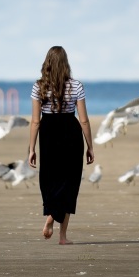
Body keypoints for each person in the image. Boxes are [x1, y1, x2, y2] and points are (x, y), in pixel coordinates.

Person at [27, 46, 94, 245]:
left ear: (46, 63)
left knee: (50, 179)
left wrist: (31, 149)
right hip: (71, 132)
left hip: (48, 133)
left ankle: (51, 214)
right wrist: (90, 146)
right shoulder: (76, 86)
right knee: (70, 183)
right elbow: (83, 120)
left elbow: (35, 121)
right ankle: (62, 236)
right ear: (66, 64)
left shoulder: (38, 86)